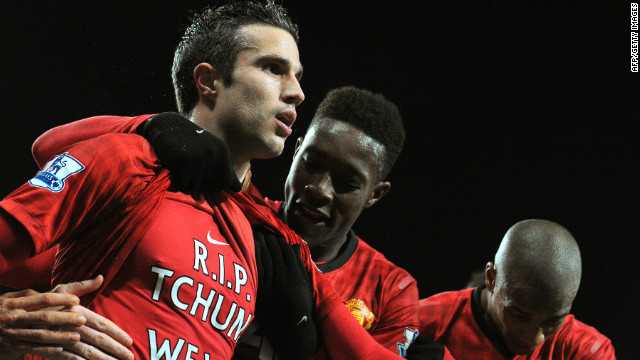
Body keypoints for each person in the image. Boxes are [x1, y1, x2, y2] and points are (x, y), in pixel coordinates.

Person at [0, 2, 420, 359]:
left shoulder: (271, 236)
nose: (297, 93)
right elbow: (46, 150)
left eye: (297, 76)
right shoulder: (130, 160)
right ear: (209, 81)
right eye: (274, 69)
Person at [417, 219, 616, 359]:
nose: (533, 338)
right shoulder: (419, 323)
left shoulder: (585, 352)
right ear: (491, 278)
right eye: (519, 314)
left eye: (553, 320)